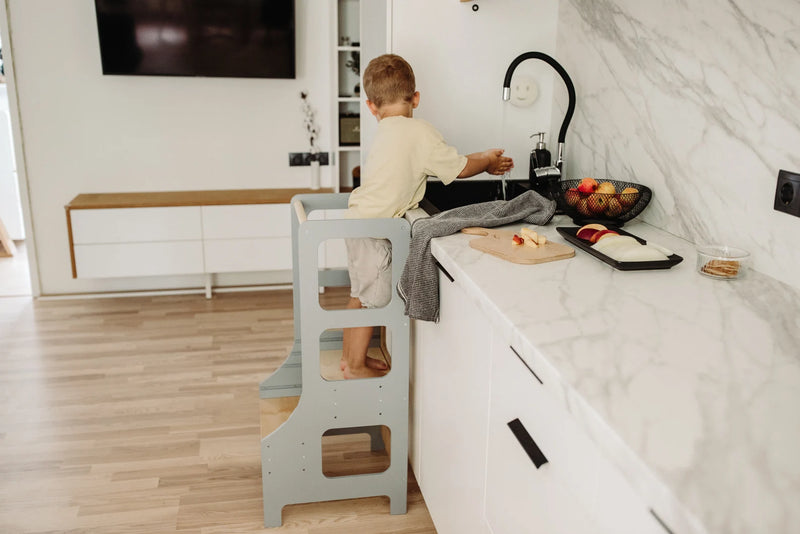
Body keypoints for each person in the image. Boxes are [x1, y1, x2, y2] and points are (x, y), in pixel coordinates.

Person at [342, 54, 514, 379]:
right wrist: (488, 164)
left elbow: (450, 161)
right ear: (416, 98)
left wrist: (481, 157)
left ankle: (350, 359)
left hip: (359, 222)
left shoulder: (389, 130)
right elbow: (459, 168)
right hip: (375, 230)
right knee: (371, 300)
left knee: (359, 294)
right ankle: (353, 366)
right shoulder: (419, 131)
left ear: (371, 107)